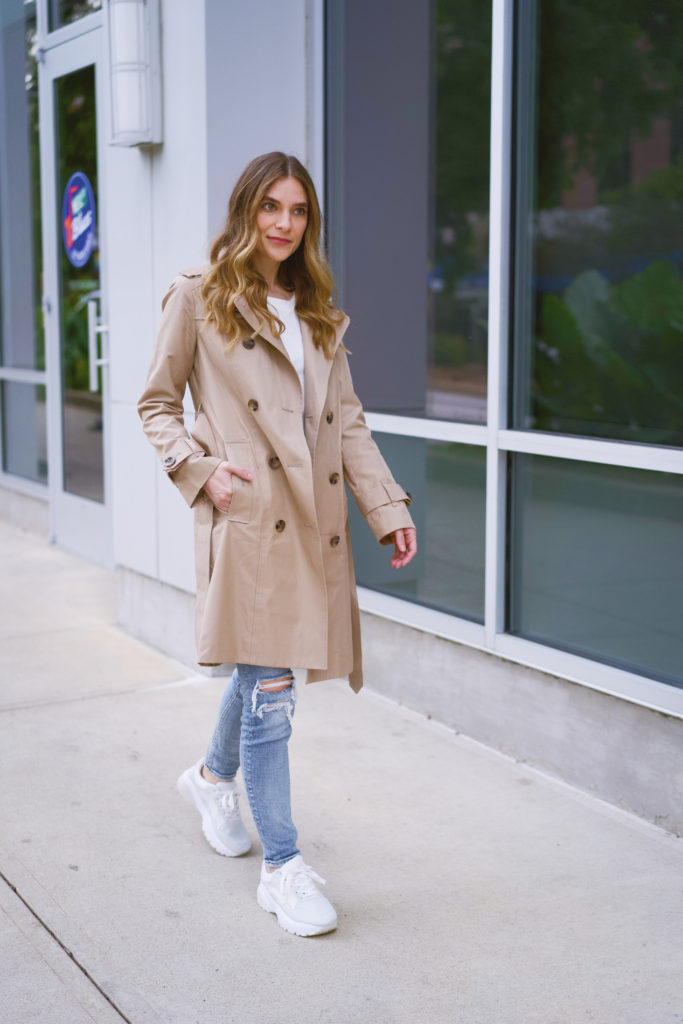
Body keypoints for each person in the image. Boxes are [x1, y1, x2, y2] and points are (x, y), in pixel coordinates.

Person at [138, 151, 417, 937]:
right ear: (245, 210)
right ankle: (283, 867)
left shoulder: (317, 308)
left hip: (316, 521)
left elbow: (347, 423)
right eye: (271, 208)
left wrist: (386, 507)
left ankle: (210, 777)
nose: (284, 225)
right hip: (255, 519)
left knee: (263, 673)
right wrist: (197, 470)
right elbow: (156, 404)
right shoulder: (199, 298)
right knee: (270, 693)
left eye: (297, 212)